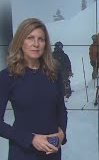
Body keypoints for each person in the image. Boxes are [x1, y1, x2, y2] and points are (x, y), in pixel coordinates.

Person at [0, 18, 68, 159]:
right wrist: (31, 139)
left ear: (45, 44)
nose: (36, 44)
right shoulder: (7, 76)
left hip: (51, 152)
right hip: (23, 153)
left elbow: (61, 109)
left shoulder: (53, 73)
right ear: (20, 41)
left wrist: (62, 134)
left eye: (41, 39)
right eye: (30, 38)